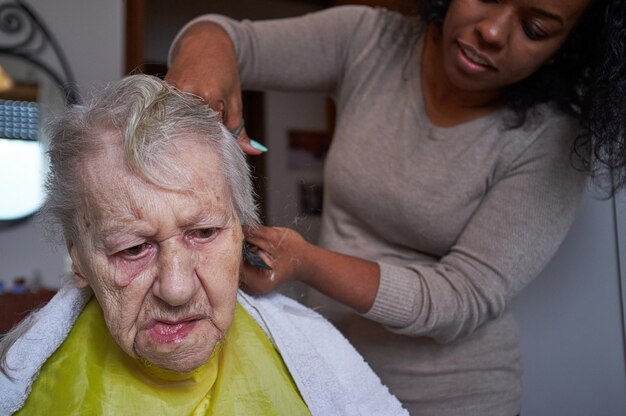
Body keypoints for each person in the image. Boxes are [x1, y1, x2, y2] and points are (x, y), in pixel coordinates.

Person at [165, 0, 626, 414]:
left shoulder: (552, 141)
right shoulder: (371, 40)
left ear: (568, 46)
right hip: (336, 373)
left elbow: (460, 297)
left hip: (453, 398)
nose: (493, 32)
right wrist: (207, 56)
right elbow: (227, 37)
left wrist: (304, 261)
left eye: (535, 29)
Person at [0, 75, 408, 416]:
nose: (176, 290)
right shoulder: (27, 390)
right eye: (132, 249)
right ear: (79, 258)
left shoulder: (320, 364)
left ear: (242, 230)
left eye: (204, 233)